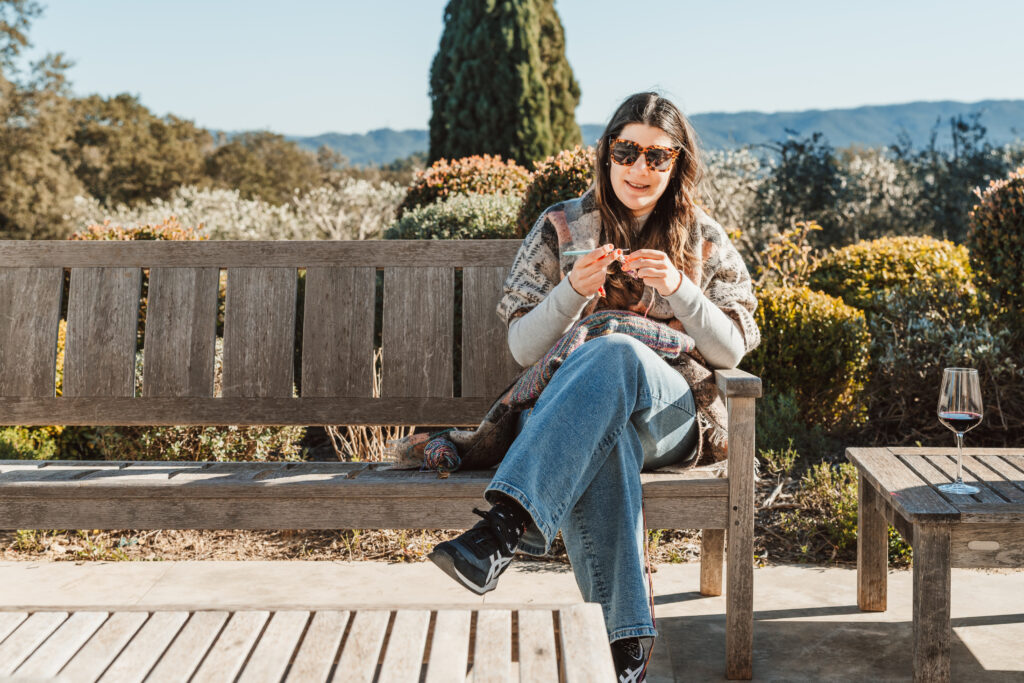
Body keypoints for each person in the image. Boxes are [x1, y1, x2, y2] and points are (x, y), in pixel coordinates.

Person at [428, 92, 759, 681]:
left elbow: (731, 349)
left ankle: (504, 527)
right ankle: (623, 650)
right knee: (604, 432)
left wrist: (681, 287)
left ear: (678, 163)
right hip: (578, 416)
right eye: (627, 151)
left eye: (659, 156)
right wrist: (573, 292)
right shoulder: (561, 224)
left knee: (614, 350)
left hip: (672, 415)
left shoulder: (704, 236)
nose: (640, 168)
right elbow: (524, 348)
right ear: (606, 154)